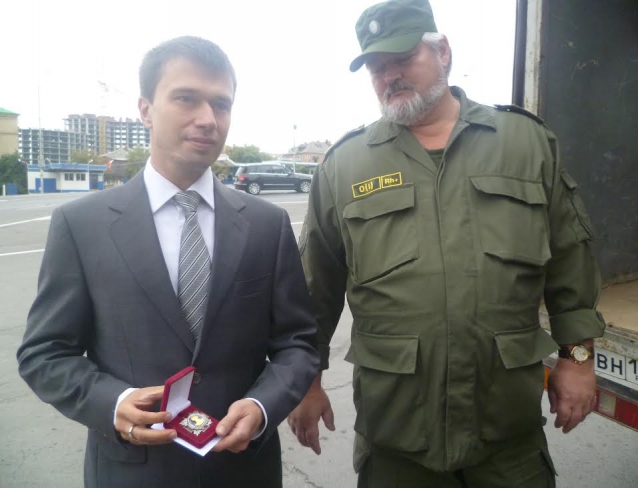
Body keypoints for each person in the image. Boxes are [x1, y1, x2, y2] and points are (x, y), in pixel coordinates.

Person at [288, 0, 605, 486]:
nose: (390, 75)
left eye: (402, 58)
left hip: (508, 433)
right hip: (396, 436)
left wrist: (577, 358)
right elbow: (315, 288)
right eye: (376, 66)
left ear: (443, 53)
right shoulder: (344, 166)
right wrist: (306, 380)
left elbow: (570, 260)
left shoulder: (525, 143)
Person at [17, 36, 319, 488]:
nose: (207, 119)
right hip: (133, 471)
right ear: (145, 109)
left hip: (242, 470)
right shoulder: (81, 225)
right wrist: (112, 403)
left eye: (221, 104)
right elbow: (44, 353)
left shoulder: (266, 225)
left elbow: (297, 343)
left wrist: (261, 406)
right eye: (186, 98)